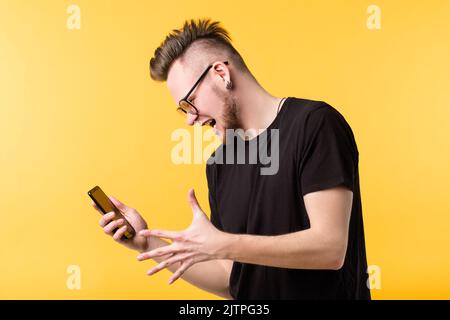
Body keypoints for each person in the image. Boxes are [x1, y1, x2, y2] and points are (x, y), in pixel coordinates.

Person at [92, 19, 371, 300]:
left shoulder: (315, 125)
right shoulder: (219, 164)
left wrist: (223, 243)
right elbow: (230, 279)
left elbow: (330, 249)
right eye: (182, 110)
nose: (190, 119)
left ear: (221, 73)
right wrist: (147, 243)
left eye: (190, 102)